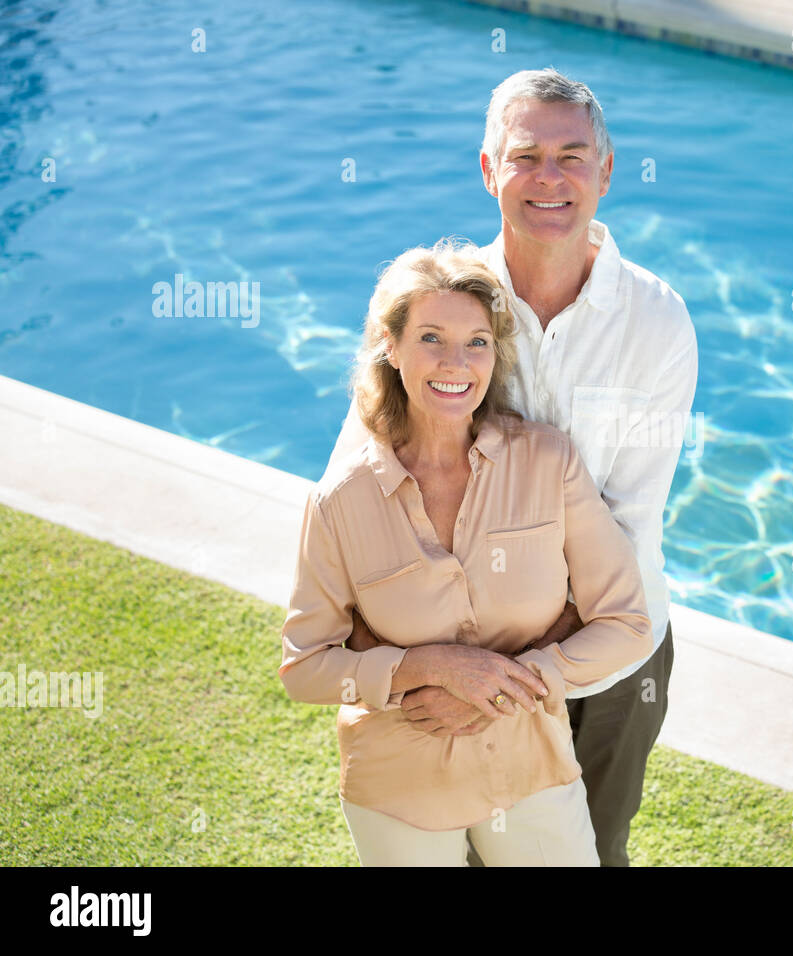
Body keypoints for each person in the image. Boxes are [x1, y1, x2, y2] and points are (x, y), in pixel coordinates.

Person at [330, 68, 698, 866]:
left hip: (607, 666)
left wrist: (505, 678)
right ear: (489, 169)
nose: (549, 178)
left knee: (589, 853)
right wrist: (427, 667)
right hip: (446, 654)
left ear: (606, 170)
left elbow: (632, 519)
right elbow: (357, 483)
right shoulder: (437, 305)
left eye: (572, 155)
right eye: (525, 155)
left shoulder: (658, 320)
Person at [279, 239, 652, 866]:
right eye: (431, 338)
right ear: (390, 349)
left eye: (477, 342)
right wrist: (426, 668)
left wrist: (500, 686)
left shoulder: (548, 462)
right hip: (399, 787)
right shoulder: (339, 503)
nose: (456, 362)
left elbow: (626, 622)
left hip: (532, 771)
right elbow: (305, 665)